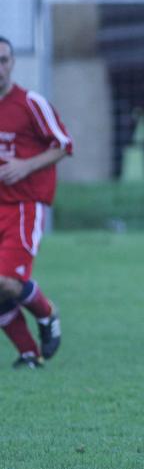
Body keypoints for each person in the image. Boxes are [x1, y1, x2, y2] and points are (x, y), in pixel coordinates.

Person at [0, 36, 68, 369]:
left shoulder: (30, 104)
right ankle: (29, 354)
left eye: (4, 60)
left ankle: (46, 312)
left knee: (8, 284)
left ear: (12, 63)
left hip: (22, 206)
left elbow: (63, 144)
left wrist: (24, 166)